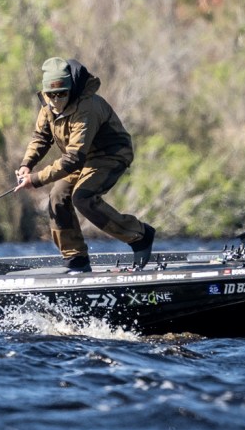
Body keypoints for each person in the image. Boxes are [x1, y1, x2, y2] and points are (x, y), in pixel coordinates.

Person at [14, 57, 155, 272]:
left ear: (70, 89)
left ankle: (140, 235)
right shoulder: (48, 107)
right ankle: (76, 259)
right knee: (57, 196)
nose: (56, 99)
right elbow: (41, 137)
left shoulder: (86, 107)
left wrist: (35, 179)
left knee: (83, 197)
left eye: (62, 93)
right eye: (51, 94)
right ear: (45, 92)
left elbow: (73, 158)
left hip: (110, 154)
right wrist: (27, 164)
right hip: (81, 158)